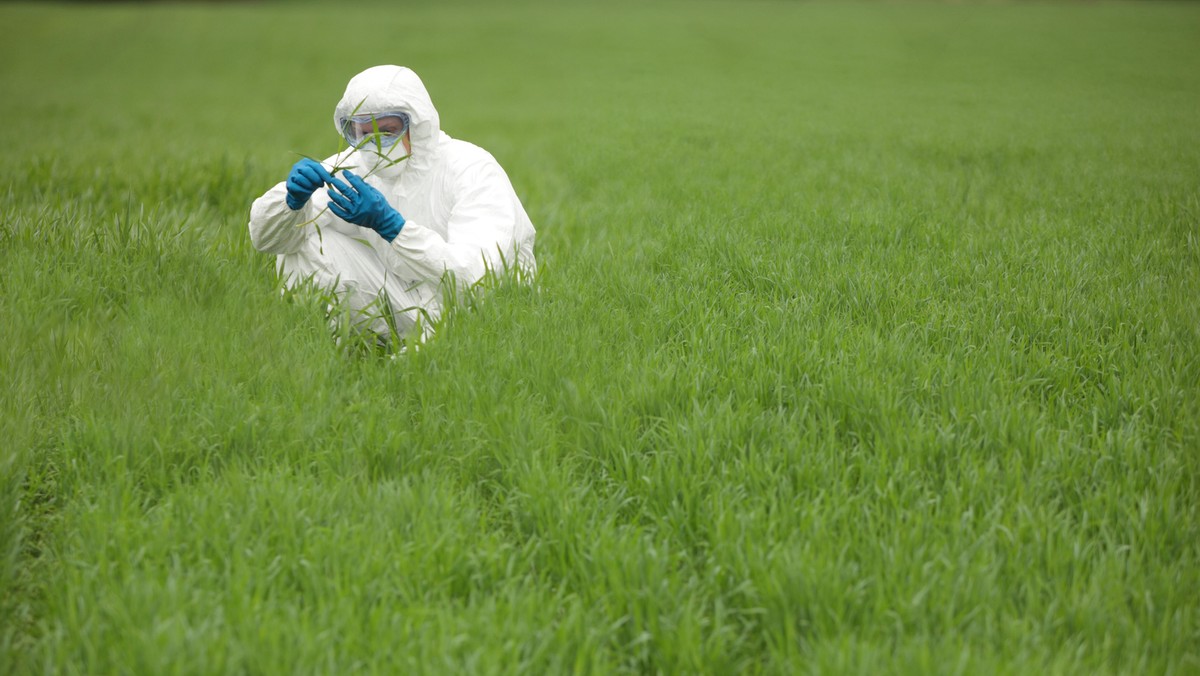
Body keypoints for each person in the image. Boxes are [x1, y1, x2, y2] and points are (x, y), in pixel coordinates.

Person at [248, 65, 536, 343]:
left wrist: (393, 227)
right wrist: (290, 203)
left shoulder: (471, 168)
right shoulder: (354, 167)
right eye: (359, 133)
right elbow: (267, 241)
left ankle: (419, 355)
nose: (371, 144)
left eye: (386, 131)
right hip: (405, 300)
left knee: (439, 362)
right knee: (306, 243)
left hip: (477, 313)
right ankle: (342, 350)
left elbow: (477, 278)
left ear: (418, 125)